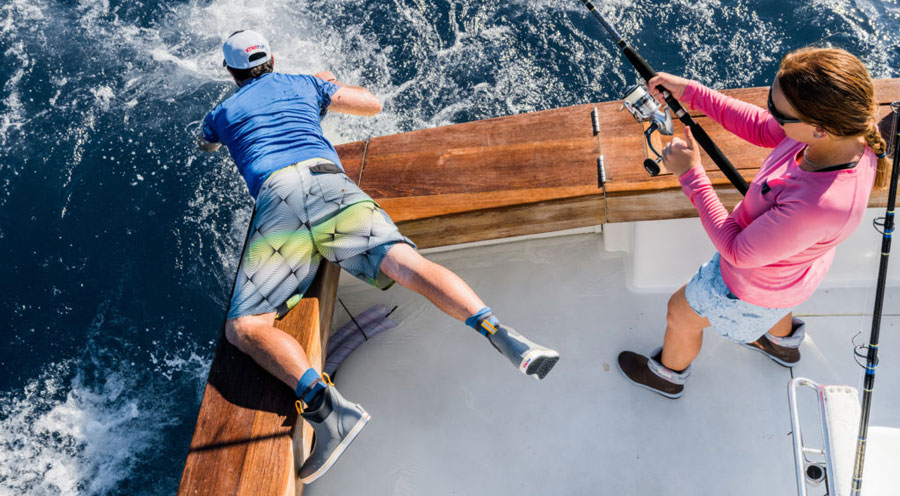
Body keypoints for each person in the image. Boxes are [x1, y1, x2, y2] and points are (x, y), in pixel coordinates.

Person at [199, 30, 560, 482]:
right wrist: (318, 88)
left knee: (246, 327)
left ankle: (329, 410)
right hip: (330, 181)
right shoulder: (303, 83)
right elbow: (371, 104)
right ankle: (501, 333)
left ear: (232, 73)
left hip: (279, 197)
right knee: (404, 262)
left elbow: (208, 142)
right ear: (272, 58)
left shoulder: (222, 111)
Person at [617, 47, 888, 399]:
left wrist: (691, 176)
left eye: (781, 113)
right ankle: (781, 344)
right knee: (778, 301)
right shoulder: (851, 136)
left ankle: (668, 376)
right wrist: (692, 92)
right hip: (794, 273)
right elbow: (763, 128)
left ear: (819, 129)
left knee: (680, 315)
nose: (772, 115)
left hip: (746, 285)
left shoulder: (817, 204)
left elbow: (736, 251)